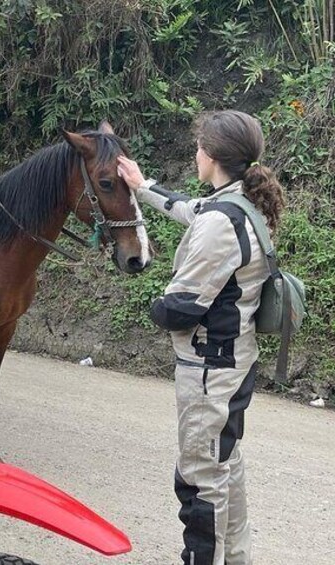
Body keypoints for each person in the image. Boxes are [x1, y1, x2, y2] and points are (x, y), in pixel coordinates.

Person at [117, 110, 285, 565]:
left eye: (198, 148)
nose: (196, 154)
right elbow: (190, 209)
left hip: (209, 370)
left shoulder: (221, 222)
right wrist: (140, 184)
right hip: (235, 361)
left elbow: (180, 308)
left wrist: (150, 294)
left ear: (210, 157)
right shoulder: (243, 204)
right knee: (223, 467)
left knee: (198, 481)